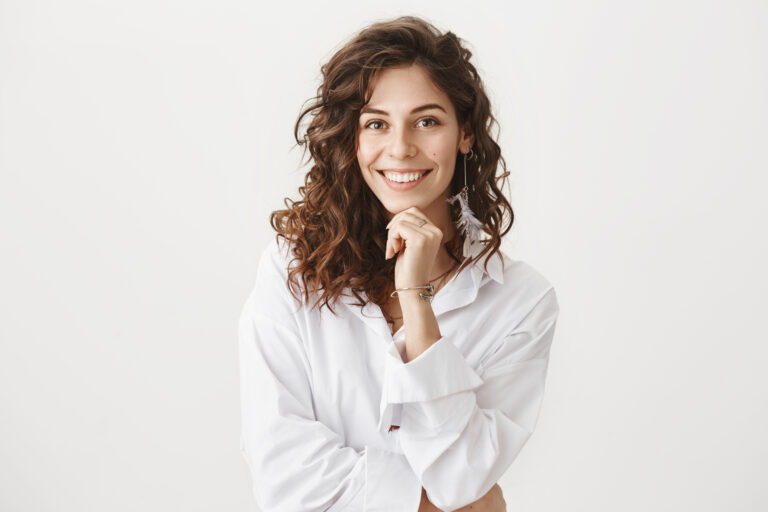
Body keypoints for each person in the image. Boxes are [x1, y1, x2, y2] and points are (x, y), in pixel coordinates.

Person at [238, 15, 560, 512]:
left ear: (466, 134)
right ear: (353, 137)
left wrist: (416, 299)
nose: (401, 148)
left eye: (427, 121)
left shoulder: (521, 302)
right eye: (376, 123)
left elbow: (459, 475)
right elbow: (284, 480)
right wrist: (440, 506)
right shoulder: (290, 271)